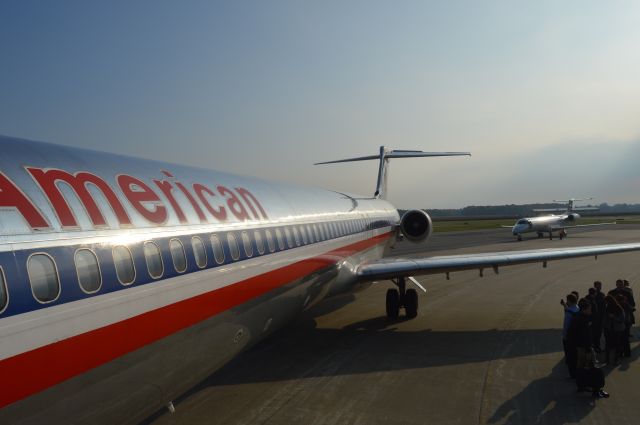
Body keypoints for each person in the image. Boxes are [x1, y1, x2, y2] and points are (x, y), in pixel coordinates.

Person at [569, 299, 610, 398]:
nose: (590, 310)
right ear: (585, 309)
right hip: (585, 347)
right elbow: (584, 335)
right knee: (591, 366)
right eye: (589, 308)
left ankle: (582, 385)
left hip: (581, 346)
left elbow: (572, 333)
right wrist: (588, 348)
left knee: (581, 366)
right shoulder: (583, 319)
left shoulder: (578, 317)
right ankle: (595, 389)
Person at [561, 293, 580, 378]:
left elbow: (566, 326)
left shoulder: (569, 312)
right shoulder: (578, 309)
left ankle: (572, 374)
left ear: (569, 300)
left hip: (570, 337)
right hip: (577, 336)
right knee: (576, 356)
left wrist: (564, 336)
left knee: (570, 357)